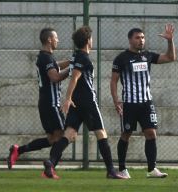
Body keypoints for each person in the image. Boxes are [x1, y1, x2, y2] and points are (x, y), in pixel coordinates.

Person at [42, 26, 126, 179]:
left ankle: (51, 162)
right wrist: (67, 99)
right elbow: (74, 77)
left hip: (76, 103)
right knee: (101, 133)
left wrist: (70, 99)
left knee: (68, 134)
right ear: (88, 41)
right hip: (87, 102)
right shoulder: (83, 57)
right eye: (91, 38)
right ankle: (111, 171)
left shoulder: (75, 56)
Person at [110, 24, 176, 179]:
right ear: (130, 40)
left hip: (146, 103)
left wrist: (170, 41)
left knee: (151, 134)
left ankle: (152, 169)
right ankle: (122, 169)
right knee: (126, 134)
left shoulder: (148, 56)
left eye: (143, 37)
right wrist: (116, 101)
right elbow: (113, 81)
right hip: (129, 103)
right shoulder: (121, 58)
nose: (141, 40)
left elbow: (171, 57)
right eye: (137, 38)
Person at [7, 28, 70, 169]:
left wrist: (71, 62)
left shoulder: (45, 57)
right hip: (52, 103)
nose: (58, 40)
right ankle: (51, 167)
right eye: (56, 37)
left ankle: (19, 150)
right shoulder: (46, 58)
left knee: (52, 139)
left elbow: (56, 65)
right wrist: (72, 70)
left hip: (45, 103)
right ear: (49, 39)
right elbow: (55, 77)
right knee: (65, 136)